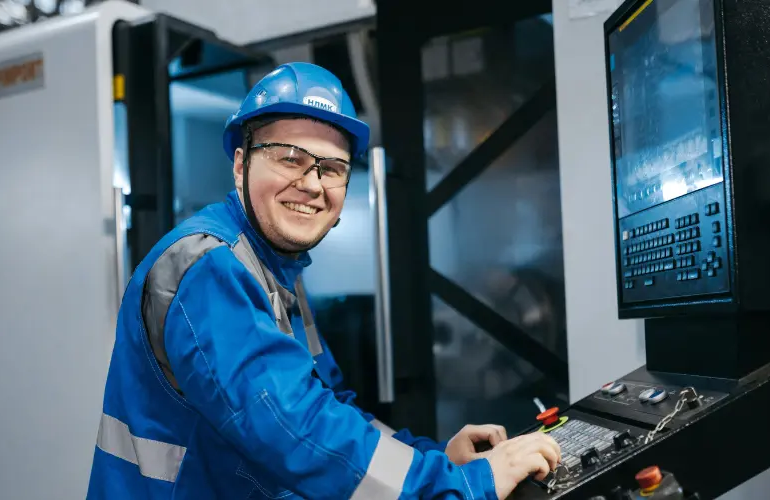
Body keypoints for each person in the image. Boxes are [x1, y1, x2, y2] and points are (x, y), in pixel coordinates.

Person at [87, 62, 561, 499]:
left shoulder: (273, 268)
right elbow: (296, 430)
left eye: (331, 168)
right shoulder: (209, 267)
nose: (312, 184)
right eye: (290, 157)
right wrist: (465, 485)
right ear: (239, 165)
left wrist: (432, 459)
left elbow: (329, 406)